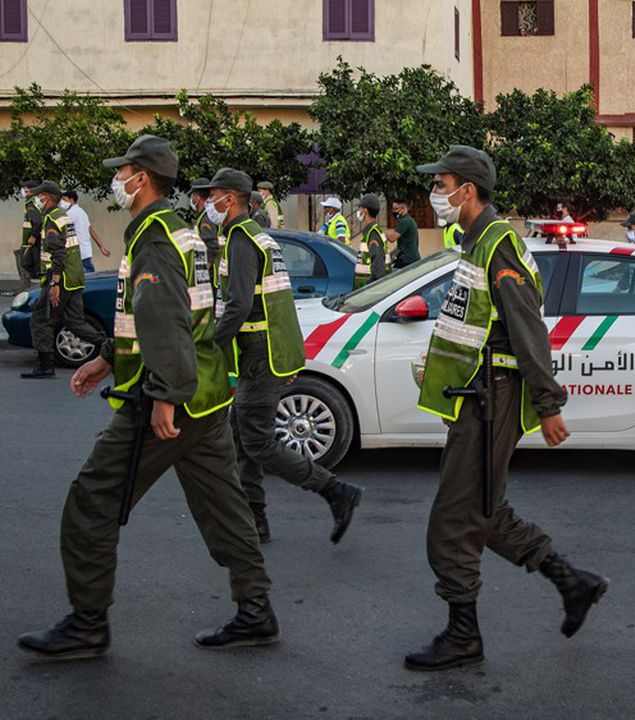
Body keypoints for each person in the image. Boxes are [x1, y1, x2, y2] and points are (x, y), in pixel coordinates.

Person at [17, 135, 277, 660]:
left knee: (92, 500)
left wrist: (165, 396)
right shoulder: (181, 231)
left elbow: (167, 321)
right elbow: (162, 315)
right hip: (205, 396)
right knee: (226, 508)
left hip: (170, 398)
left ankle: (88, 622)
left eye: (124, 171)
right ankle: (256, 611)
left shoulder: (155, 236)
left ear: (142, 178)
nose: (118, 180)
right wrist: (108, 357)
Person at [407, 145, 608, 671]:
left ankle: (463, 636)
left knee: (453, 522)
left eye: (441, 183)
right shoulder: (475, 242)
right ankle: (572, 581)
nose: (436, 193)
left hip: (491, 401)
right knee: (486, 512)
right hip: (476, 397)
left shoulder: (498, 244)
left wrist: (548, 403)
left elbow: (526, 325)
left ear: (467, 191)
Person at [201, 169, 364, 545]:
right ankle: (254, 520)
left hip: (259, 353)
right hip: (265, 351)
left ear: (230, 198)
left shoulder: (242, 239)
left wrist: (210, 346)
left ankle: (336, 491)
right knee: (242, 438)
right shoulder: (259, 237)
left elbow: (239, 305)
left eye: (213, 197)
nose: (209, 204)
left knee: (256, 442)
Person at [21, 181, 107, 380]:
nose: (37, 199)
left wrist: (54, 284)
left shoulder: (52, 218)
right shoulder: (63, 216)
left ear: (48, 197)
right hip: (75, 277)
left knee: (41, 320)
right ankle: (110, 346)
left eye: (39, 196)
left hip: (62, 278)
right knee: (75, 322)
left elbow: (58, 253)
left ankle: (44, 366)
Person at [60, 190, 111, 274]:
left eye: (64, 199)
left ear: (71, 200)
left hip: (77, 252)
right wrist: (101, 246)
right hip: (86, 251)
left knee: (83, 279)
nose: (62, 202)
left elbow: (61, 229)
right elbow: (91, 229)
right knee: (89, 275)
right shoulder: (82, 212)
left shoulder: (70, 213)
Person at [352, 192, 387, 288]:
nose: (358, 211)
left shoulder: (373, 234)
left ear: (365, 211)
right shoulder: (372, 231)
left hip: (368, 291)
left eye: (360, 208)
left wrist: (369, 288)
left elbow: (378, 267)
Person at [188, 178, 222, 273]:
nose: (191, 200)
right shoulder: (209, 215)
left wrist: (203, 270)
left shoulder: (206, 218)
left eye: (192, 197)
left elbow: (212, 246)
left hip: (213, 271)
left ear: (197, 198)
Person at [386, 198, 421, 269]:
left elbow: (392, 238)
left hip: (408, 260)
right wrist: (391, 254)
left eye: (396, 209)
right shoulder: (405, 220)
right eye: (393, 209)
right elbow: (401, 245)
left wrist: (379, 231)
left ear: (403, 209)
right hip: (407, 258)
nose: (393, 211)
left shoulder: (405, 221)